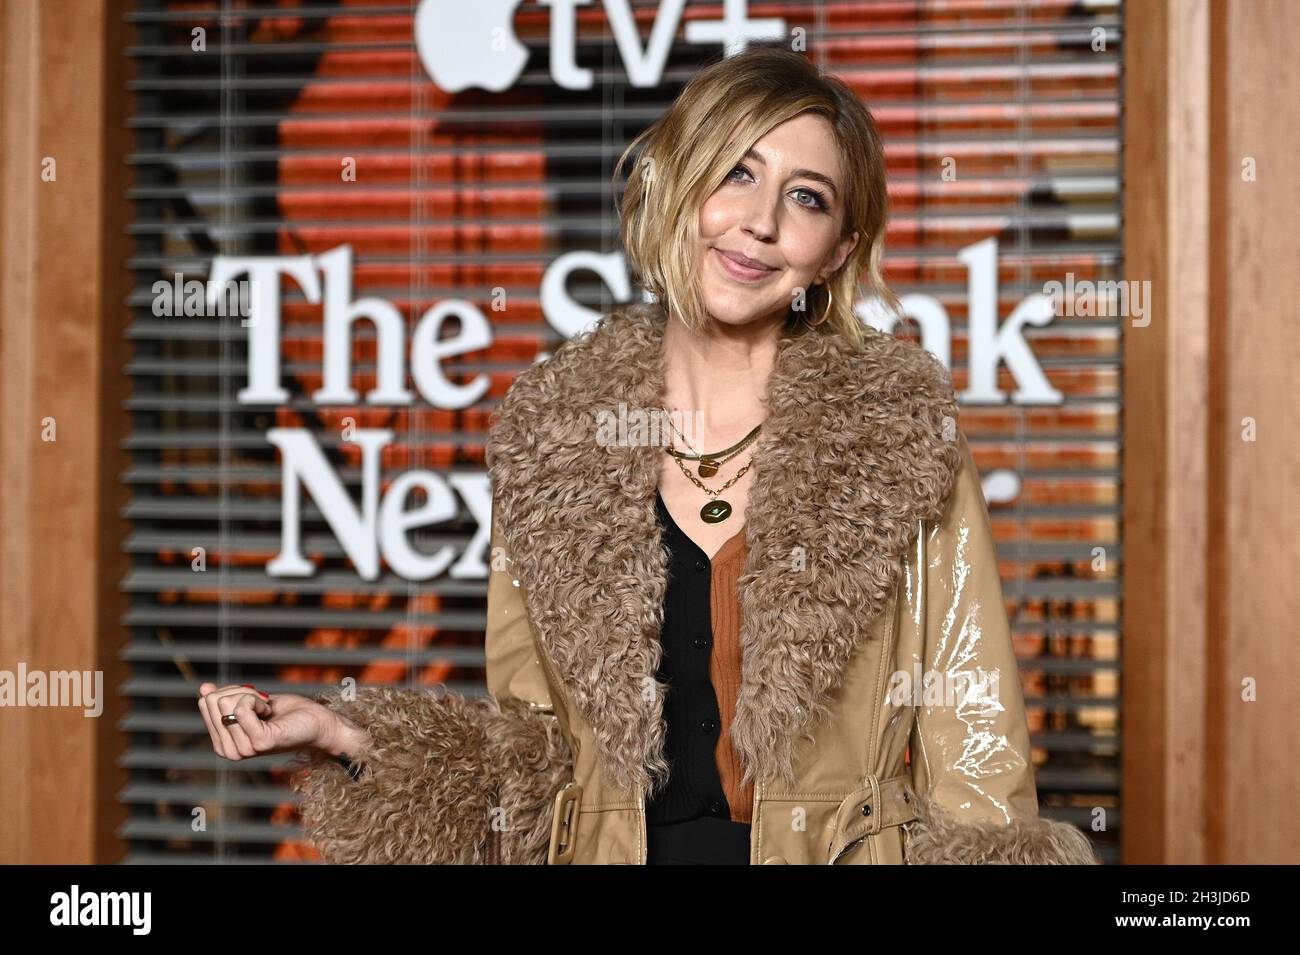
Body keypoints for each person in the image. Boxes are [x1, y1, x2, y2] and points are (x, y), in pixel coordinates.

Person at [198, 48, 1097, 866]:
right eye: (736, 173)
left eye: (807, 197)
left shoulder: (900, 438)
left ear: (836, 254)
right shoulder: (554, 442)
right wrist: (348, 737)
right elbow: (532, 754)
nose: (760, 222)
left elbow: (975, 749)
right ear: (677, 185)